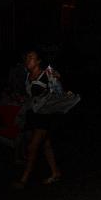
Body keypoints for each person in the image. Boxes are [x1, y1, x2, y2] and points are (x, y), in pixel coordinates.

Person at [13, 49, 69, 188]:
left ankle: (24, 179)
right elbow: (30, 96)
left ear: (38, 61)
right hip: (35, 115)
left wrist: (57, 78)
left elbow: (58, 91)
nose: (28, 60)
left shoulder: (46, 74)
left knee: (32, 147)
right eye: (27, 57)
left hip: (45, 116)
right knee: (46, 145)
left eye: (31, 58)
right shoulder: (28, 76)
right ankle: (55, 172)